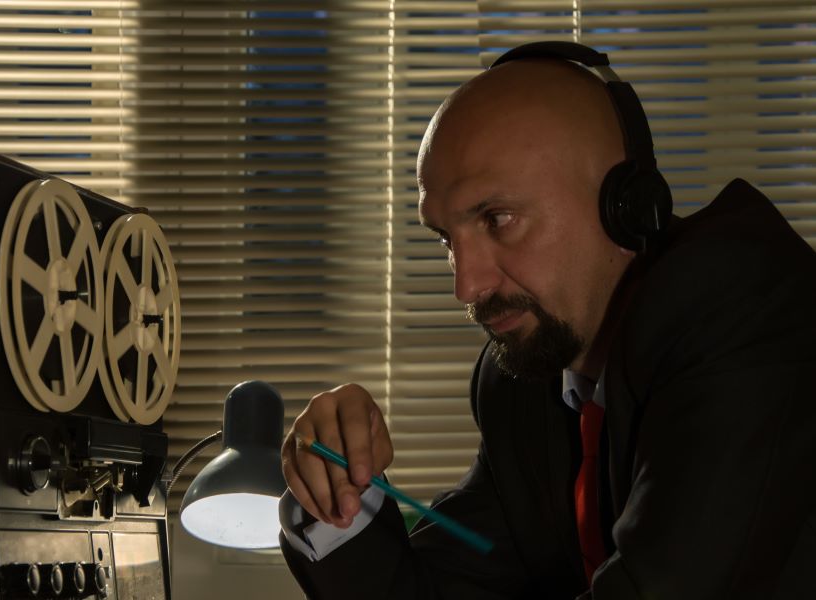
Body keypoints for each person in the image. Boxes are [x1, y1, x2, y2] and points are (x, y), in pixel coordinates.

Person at [277, 42, 816, 599]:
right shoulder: (522, 386)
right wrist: (339, 493)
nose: (467, 286)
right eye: (446, 238)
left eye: (497, 218)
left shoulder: (742, 306)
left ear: (626, 206)